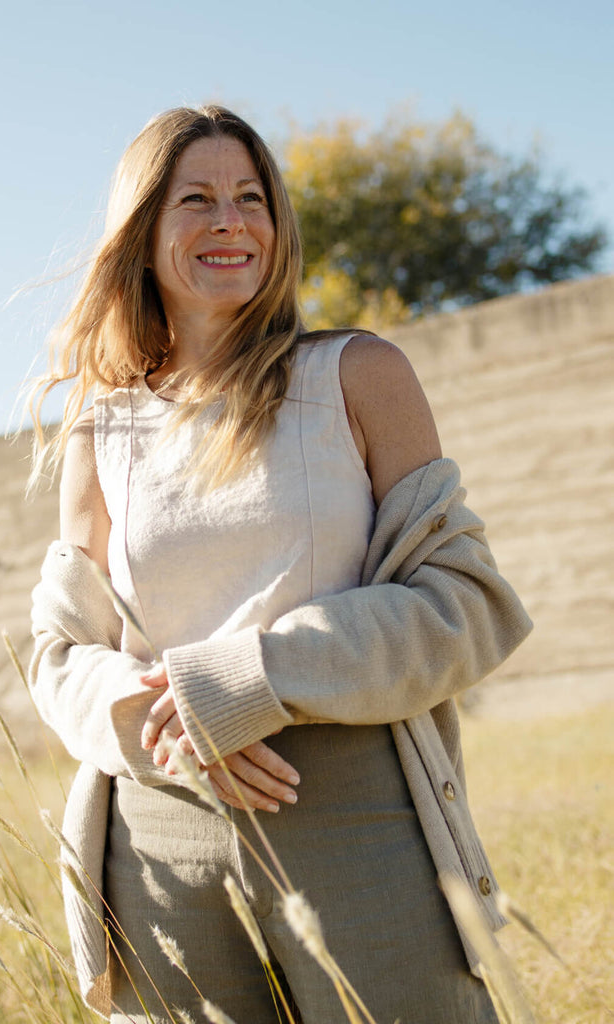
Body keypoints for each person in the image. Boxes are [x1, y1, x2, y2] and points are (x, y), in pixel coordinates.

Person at [27, 105, 532, 1024]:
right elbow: (59, 653)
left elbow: (467, 604)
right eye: (196, 200)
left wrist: (246, 680)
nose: (230, 221)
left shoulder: (358, 374)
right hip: (157, 831)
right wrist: (166, 726)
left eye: (250, 197)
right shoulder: (99, 425)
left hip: (354, 811)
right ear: (141, 235)